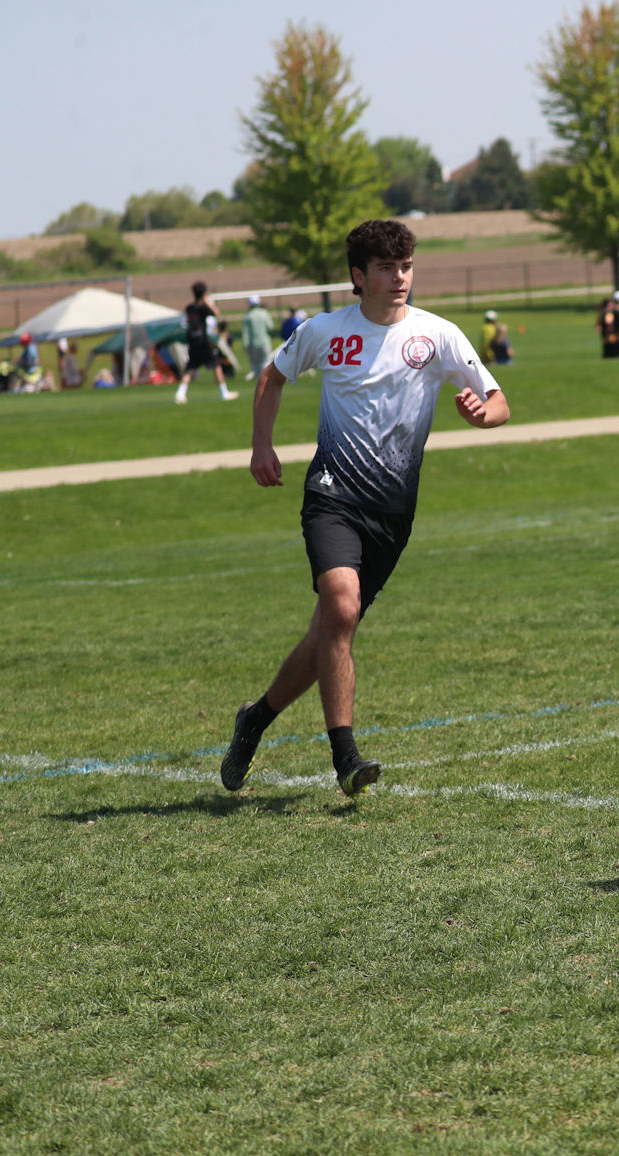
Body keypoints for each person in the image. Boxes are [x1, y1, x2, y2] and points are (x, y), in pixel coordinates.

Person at [217, 218, 509, 799]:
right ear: (359, 275)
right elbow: (272, 377)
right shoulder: (325, 330)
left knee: (333, 627)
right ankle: (345, 757)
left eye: (406, 266)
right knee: (342, 606)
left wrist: (484, 414)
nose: (399, 278)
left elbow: (499, 401)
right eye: (385, 268)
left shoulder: (438, 335)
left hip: (393, 512)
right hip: (332, 495)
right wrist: (261, 445)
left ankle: (256, 718)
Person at [174, 281, 237, 404]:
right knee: (216, 365)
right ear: (204, 293)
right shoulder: (202, 307)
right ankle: (224, 393)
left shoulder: (189, 308)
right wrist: (206, 300)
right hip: (202, 341)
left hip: (192, 341)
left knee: (191, 367)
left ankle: (180, 394)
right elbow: (216, 313)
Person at [243, 296, 275, 383]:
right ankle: (266, 381)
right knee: (266, 362)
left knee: (255, 364)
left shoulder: (248, 316)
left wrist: (245, 345)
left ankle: (259, 382)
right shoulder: (264, 313)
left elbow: (246, 333)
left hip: (252, 344)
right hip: (264, 342)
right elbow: (270, 327)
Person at [597, 293, 619, 360]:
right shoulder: (608, 314)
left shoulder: (604, 314)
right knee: (615, 356)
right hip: (612, 338)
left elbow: (598, 327)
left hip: (610, 339)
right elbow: (608, 322)